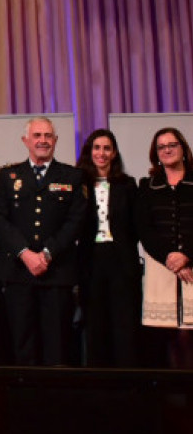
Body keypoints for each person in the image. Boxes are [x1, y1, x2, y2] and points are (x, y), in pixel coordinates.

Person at [0, 117, 86, 366]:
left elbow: (75, 222)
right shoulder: (7, 175)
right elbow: (0, 220)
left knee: (57, 342)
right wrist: (25, 253)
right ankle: (26, 400)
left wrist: (46, 254)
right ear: (26, 140)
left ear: (55, 141)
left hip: (56, 272)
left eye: (47, 136)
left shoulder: (72, 176)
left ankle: (53, 400)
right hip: (18, 272)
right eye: (37, 136)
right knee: (22, 341)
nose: (42, 141)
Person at [75, 129, 140, 367]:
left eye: (107, 148)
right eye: (96, 148)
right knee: (95, 322)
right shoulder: (78, 183)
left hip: (121, 259)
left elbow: (137, 226)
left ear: (114, 153)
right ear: (89, 151)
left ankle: (127, 380)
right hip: (91, 258)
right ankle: (99, 382)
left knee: (124, 322)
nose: (101, 153)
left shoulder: (127, 184)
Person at [136, 127, 193, 368]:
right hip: (160, 268)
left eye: (172, 145)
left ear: (183, 149)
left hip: (192, 265)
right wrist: (170, 258)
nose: (167, 150)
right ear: (156, 154)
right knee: (164, 341)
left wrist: (186, 256)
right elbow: (144, 228)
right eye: (162, 147)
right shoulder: (147, 186)